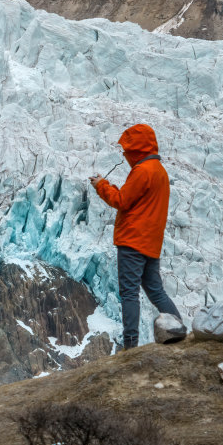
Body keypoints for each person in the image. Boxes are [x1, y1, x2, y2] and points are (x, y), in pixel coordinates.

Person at [89, 124, 183, 349]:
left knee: (129, 293)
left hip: (133, 241)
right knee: (155, 290)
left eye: (127, 149)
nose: (124, 154)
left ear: (137, 149)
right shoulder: (159, 170)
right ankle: (179, 330)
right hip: (151, 242)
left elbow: (121, 200)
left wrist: (101, 185)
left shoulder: (143, 171)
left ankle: (131, 344)